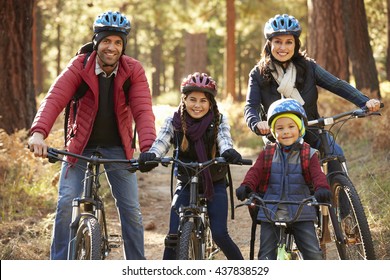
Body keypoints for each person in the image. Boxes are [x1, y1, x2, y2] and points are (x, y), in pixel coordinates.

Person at [27, 11, 156, 260]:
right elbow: (55, 99)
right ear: (97, 41)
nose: (112, 47)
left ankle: (138, 268)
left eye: (118, 42)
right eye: (107, 40)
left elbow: (143, 110)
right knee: (66, 203)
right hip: (79, 146)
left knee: (130, 210)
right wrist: (38, 133)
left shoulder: (133, 70)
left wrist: (149, 148)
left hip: (118, 148)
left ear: (123, 46)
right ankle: (59, 266)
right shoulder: (80, 66)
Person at [244, 13, 381, 170]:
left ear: (296, 44)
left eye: (289, 42)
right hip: (278, 135)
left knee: (335, 154)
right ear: (269, 44)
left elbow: (337, 85)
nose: (283, 47)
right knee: (278, 176)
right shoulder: (258, 73)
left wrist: (364, 101)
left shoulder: (309, 67)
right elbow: (251, 106)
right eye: (278, 42)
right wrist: (256, 123)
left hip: (311, 129)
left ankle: (340, 190)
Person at [138, 72, 244, 260]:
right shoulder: (175, 121)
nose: (197, 105)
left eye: (203, 100)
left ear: (210, 103)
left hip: (215, 182)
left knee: (220, 234)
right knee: (172, 237)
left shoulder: (219, 120)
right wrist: (152, 156)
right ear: (184, 100)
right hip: (186, 181)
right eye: (192, 99)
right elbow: (161, 142)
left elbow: (224, 139)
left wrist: (228, 152)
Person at [237, 98, 332, 260]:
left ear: (300, 128)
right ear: (274, 132)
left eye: (291, 126)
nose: (286, 132)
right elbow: (255, 171)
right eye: (280, 128)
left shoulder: (308, 153)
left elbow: (318, 175)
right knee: (266, 255)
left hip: (301, 211)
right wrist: (246, 186)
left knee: (313, 254)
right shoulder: (268, 152)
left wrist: (322, 188)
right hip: (271, 211)